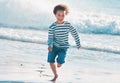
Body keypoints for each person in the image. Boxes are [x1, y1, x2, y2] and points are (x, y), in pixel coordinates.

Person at [47, 4, 81, 82]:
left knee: (59, 63)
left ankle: (60, 62)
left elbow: (74, 33)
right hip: (54, 46)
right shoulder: (52, 26)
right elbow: (50, 37)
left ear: (65, 15)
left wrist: (78, 43)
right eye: (59, 15)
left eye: (63, 15)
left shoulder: (68, 25)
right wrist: (50, 45)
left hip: (63, 47)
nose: (61, 17)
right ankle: (55, 75)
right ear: (55, 14)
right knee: (51, 61)